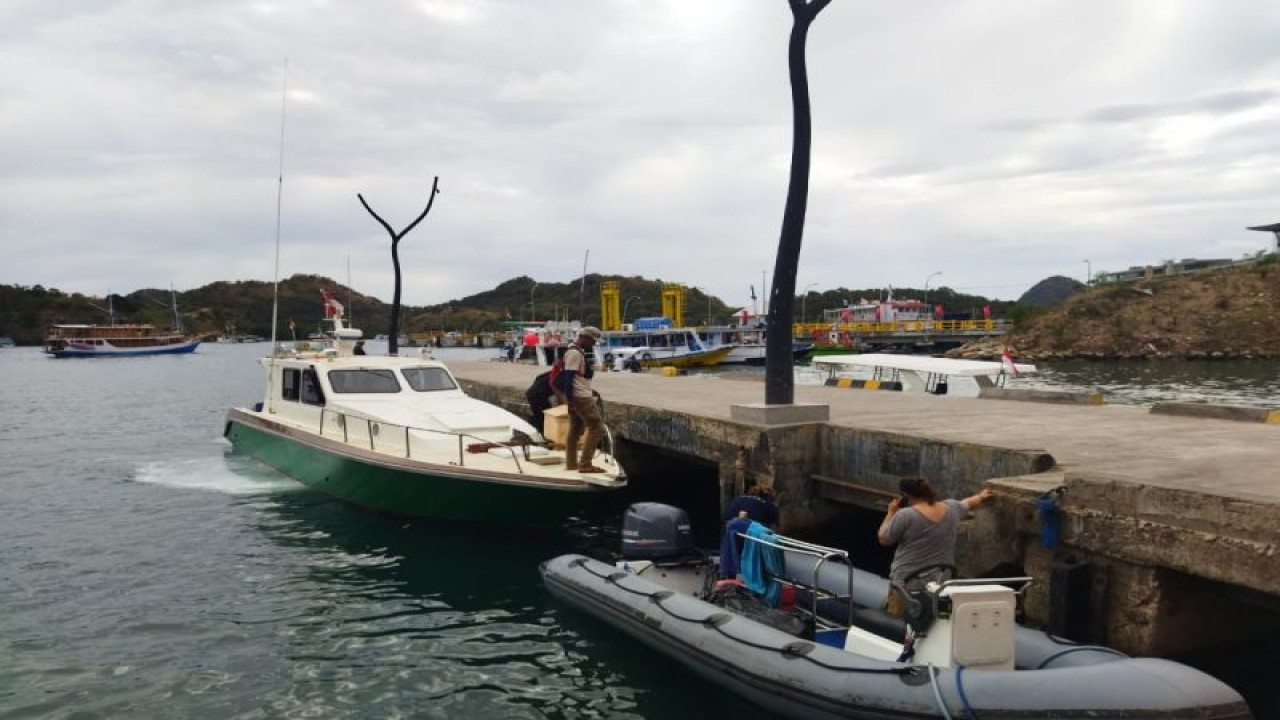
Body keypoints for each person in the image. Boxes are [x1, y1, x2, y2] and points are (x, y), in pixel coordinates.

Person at [877, 476, 994, 615]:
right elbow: (968, 503)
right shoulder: (951, 508)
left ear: (906, 496)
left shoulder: (905, 515)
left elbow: (884, 539)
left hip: (907, 583)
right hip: (940, 581)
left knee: (897, 621)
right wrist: (981, 496)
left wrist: (890, 513)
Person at [553, 326, 607, 473]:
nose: (594, 344)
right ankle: (585, 464)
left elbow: (574, 377)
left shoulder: (575, 351)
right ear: (585, 338)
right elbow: (568, 378)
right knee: (597, 428)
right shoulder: (574, 354)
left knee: (575, 429)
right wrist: (570, 401)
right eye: (593, 340)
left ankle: (571, 464)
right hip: (581, 397)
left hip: (577, 395)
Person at [524, 369, 555, 435]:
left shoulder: (551, 373)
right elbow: (559, 392)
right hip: (538, 396)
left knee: (540, 416)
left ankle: (541, 432)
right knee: (546, 418)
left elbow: (537, 378)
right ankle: (545, 434)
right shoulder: (562, 376)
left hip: (531, 392)